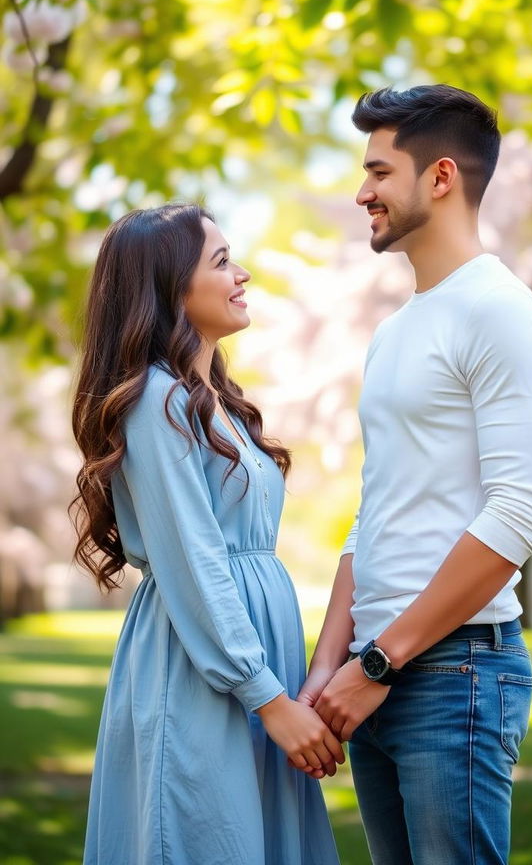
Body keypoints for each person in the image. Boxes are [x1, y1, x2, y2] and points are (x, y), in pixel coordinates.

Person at [298, 85, 532, 865]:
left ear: (440, 177)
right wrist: (331, 664)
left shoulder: (501, 312)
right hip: (378, 673)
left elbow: (518, 516)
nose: (361, 192)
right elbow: (374, 511)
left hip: (454, 674)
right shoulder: (395, 332)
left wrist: (382, 661)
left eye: (379, 172)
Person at [70, 202, 342, 865]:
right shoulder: (157, 401)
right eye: (221, 262)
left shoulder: (211, 397)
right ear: (170, 290)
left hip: (248, 661)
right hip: (204, 668)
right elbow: (193, 562)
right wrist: (268, 699)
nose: (242, 273)